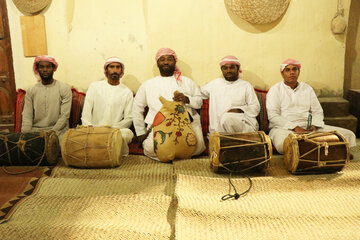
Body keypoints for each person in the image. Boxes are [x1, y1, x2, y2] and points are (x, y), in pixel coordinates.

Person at [266, 58, 356, 154]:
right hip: (284, 128)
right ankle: (323, 150)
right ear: (282, 73)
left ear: (299, 72)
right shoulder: (275, 90)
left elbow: (317, 111)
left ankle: (316, 150)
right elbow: (273, 116)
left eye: (294, 69)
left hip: (309, 128)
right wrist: (295, 127)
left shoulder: (307, 89)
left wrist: (314, 125)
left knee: (348, 134)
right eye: (287, 70)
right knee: (282, 143)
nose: (291, 72)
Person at [132, 48, 206, 160]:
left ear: (175, 62)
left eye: (169, 59)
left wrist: (187, 99)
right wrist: (140, 132)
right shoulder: (148, 84)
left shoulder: (187, 82)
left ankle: (177, 153)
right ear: (157, 63)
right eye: (162, 59)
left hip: (186, 124)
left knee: (197, 147)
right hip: (159, 125)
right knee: (152, 149)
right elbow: (137, 108)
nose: (166, 62)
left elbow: (199, 103)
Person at [81, 57, 134, 156]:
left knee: (127, 134)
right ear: (106, 70)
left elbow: (129, 119)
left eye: (118, 67)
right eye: (111, 67)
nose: (114, 70)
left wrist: (111, 129)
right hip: (93, 130)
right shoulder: (94, 87)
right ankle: (109, 150)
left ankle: (102, 148)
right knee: (80, 134)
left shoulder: (127, 92)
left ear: (121, 71)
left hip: (114, 131)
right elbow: (86, 112)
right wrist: (89, 127)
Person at [201, 55, 260, 134]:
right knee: (225, 119)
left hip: (242, 125)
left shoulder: (245, 85)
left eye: (232, 67)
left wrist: (239, 110)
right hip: (218, 131)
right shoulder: (215, 84)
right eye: (225, 68)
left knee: (226, 118)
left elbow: (255, 107)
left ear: (238, 69)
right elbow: (198, 95)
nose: (228, 70)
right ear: (222, 70)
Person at [21, 55, 72, 143]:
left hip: (58, 131)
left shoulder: (64, 89)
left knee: (60, 146)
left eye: (48, 67)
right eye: (41, 67)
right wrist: (25, 135)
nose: (45, 70)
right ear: (37, 69)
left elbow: (64, 116)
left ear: (54, 68)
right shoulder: (31, 90)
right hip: (36, 131)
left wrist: (51, 133)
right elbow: (27, 115)